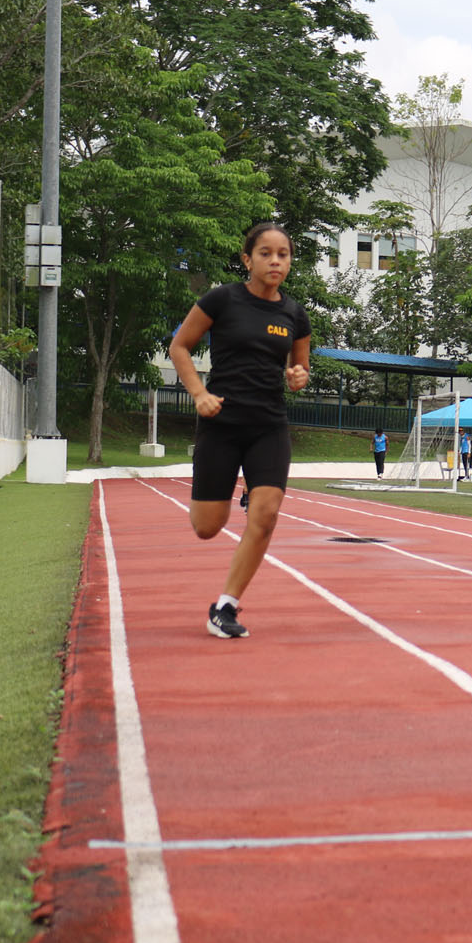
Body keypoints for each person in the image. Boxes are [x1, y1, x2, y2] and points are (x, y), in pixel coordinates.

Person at [168, 222, 311, 639]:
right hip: (221, 423)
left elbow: (297, 368)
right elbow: (180, 346)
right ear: (248, 259)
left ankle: (225, 607)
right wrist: (198, 393)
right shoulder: (222, 299)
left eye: (282, 254)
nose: (275, 261)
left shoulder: (294, 313)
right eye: (265, 253)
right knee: (207, 527)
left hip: (268, 425)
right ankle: (241, 493)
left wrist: (298, 377)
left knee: (265, 517)